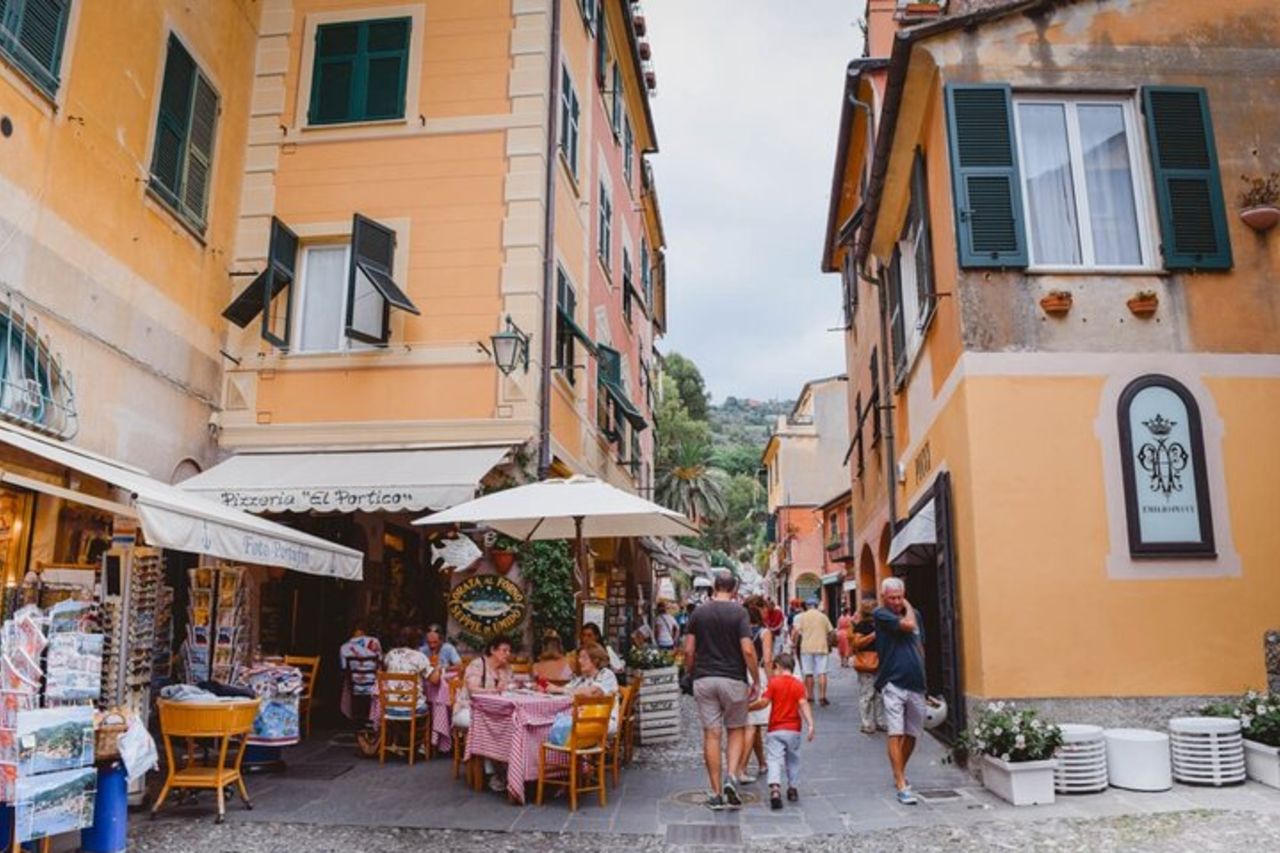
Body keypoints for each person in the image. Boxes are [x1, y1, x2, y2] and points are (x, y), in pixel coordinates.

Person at [683, 571, 759, 811]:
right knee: (736, 729)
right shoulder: (739, 613)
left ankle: (715, 793)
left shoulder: (699, 612)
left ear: (714, 587)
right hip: (733, 679)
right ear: (734, 589)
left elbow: (688, 650)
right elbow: (748, 650)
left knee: (711, 735)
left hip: (704, 679)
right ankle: (731, 778)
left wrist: (690, 672)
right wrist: (755, 679)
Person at [874, 577, 927, 805]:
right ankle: (901, 783)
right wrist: (907, 607)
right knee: (896, 732)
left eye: (899, 597)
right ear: (884, 597)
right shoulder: (882, 614)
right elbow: (908, 626)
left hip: (916, 682)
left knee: (913, 734)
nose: (896, 602)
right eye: (892, 598)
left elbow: (919, 644)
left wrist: (925, 677)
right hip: (893, 682)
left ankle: (900, 772)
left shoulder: (916, 616)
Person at [747, 651, 814, 811]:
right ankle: (792, 788)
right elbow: (803, 704)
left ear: (777, 666)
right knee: (793, 760)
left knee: (774, 759)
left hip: (775, 729)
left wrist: (748, 708)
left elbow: (764, 702)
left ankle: (775, 789)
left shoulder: (774, 683)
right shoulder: (798, 685)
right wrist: (810, 724)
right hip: (793, 730)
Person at [454, 636, 514, 793]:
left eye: (509, 650)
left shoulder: (506, 668)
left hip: (493, 712)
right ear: (493, 650)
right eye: (504, 650)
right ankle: (493, 773)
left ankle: (508, 770)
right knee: (487, 726)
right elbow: (473, 689)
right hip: (466, 709)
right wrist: (496, 690)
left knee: (507, 725)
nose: (507, 654)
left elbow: (510, 688)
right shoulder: (478, 664)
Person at [547, 643, 620, 744]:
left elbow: (593, 692)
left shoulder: (606, 674)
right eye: (580, 658)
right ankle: (567, 756)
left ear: (596, 660)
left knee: (558, 728)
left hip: (603, 721)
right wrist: (549, 688)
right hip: (584, 719)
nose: (580, 661)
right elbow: (566, 689)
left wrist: (560, 689)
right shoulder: (583, 678)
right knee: (553, 724)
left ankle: (569, 757)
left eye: (584, 658)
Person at [736, 596, 774, 784]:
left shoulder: (738, 631)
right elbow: (766, 660)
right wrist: (772, 681)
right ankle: (740, 769)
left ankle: (762, 763)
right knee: (751, 724)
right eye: (765, 608)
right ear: (758, 609)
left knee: (754, 722)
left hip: (739, 675)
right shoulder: (764, 633)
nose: (767, 611)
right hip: (757, 675)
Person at [791, 598, 834, 707]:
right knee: (822, 672)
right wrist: (829, 644)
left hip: (806, 647)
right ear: (816, 605)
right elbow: (831, 632)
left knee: (808, 672)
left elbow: (796, 632)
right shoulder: (823, 617)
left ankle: (810, 696)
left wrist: (794, 643)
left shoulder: (802, 617)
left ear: (807, 606)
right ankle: (822, 697)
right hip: (821, 646)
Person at [338, 623, 383, 723]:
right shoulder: (375, 641)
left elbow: (344, 667)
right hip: (373, 685)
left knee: (346, 680)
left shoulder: (344, 647)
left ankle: (352, 715)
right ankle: (375, 715)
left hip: (355, 685)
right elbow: (380, 661)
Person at [852, 601, 883, 734]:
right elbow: (857, 643)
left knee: (879, 695)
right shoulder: (862, 626)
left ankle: (879, 722)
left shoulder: (880, 624)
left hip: (880, 661)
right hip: (868, 663)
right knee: (868, 694)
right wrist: (873, 636)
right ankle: (867, 723)